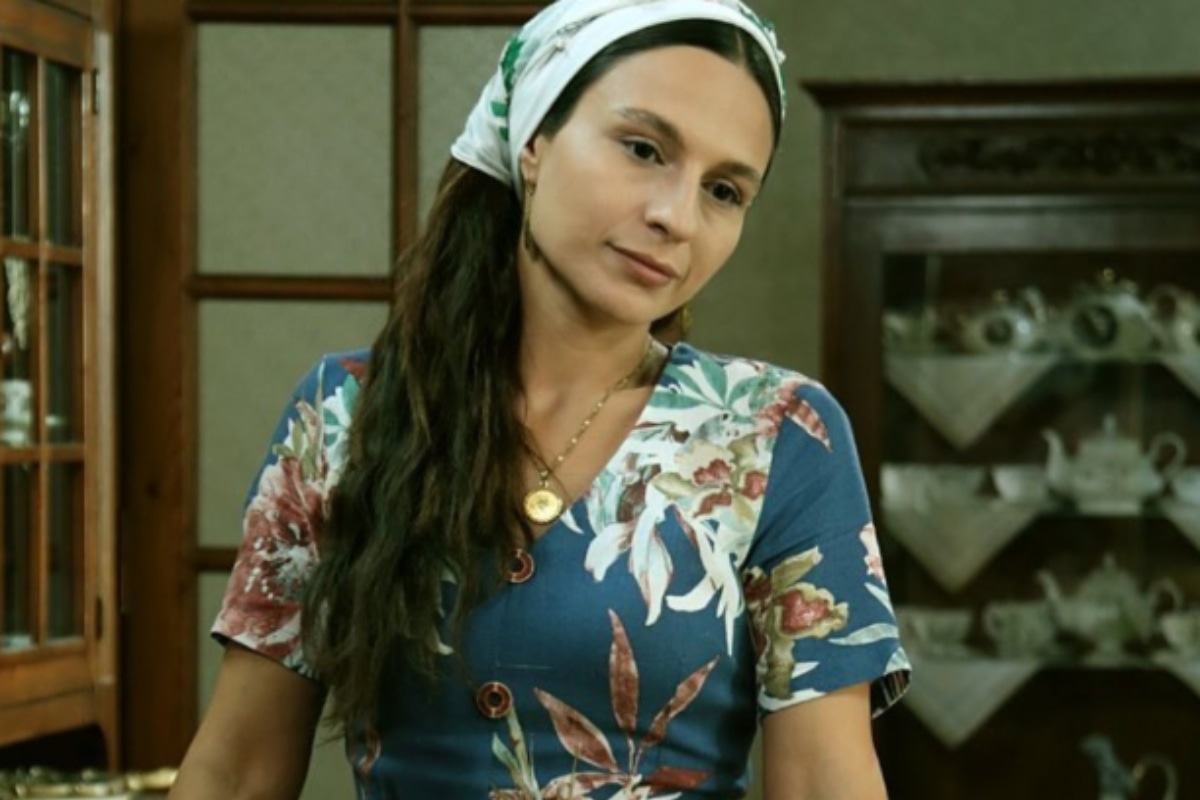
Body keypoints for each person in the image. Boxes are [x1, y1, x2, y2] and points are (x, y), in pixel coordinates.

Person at [170, 1, 911, 797]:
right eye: (643, 149)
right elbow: (238, 768)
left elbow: (825, 781)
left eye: (724, 191)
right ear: (535, 142)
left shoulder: (777, 434)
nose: (675, 217)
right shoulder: (345, 412)